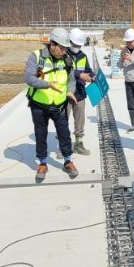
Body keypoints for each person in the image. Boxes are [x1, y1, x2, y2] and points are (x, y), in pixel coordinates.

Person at [24, 27, 78, 181]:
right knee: (41, 134)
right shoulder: (36, 57)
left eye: (66, 48)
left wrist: (70, 91)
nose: (64, 51)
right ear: (52, 44)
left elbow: (71, 80)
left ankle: (68, 160)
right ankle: (42, 162)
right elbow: (29, 78)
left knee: (64, 133)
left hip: (59, 105)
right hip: (39, 105)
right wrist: (47, 84)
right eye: (61, 48)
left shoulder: (67, 59)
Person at [67, 27, 95, 155]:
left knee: (80, 121)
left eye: (79, 45)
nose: (77, 47)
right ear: (70, 42)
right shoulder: (63, 55)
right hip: (66, 93)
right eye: (75, 44)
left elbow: (88, 70)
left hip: (80, 93)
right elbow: (65, 71)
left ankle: (78, 144)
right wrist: (80, 75)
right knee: (62, 120)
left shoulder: (83, 56)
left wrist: (92, 76)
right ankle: (63, 146)